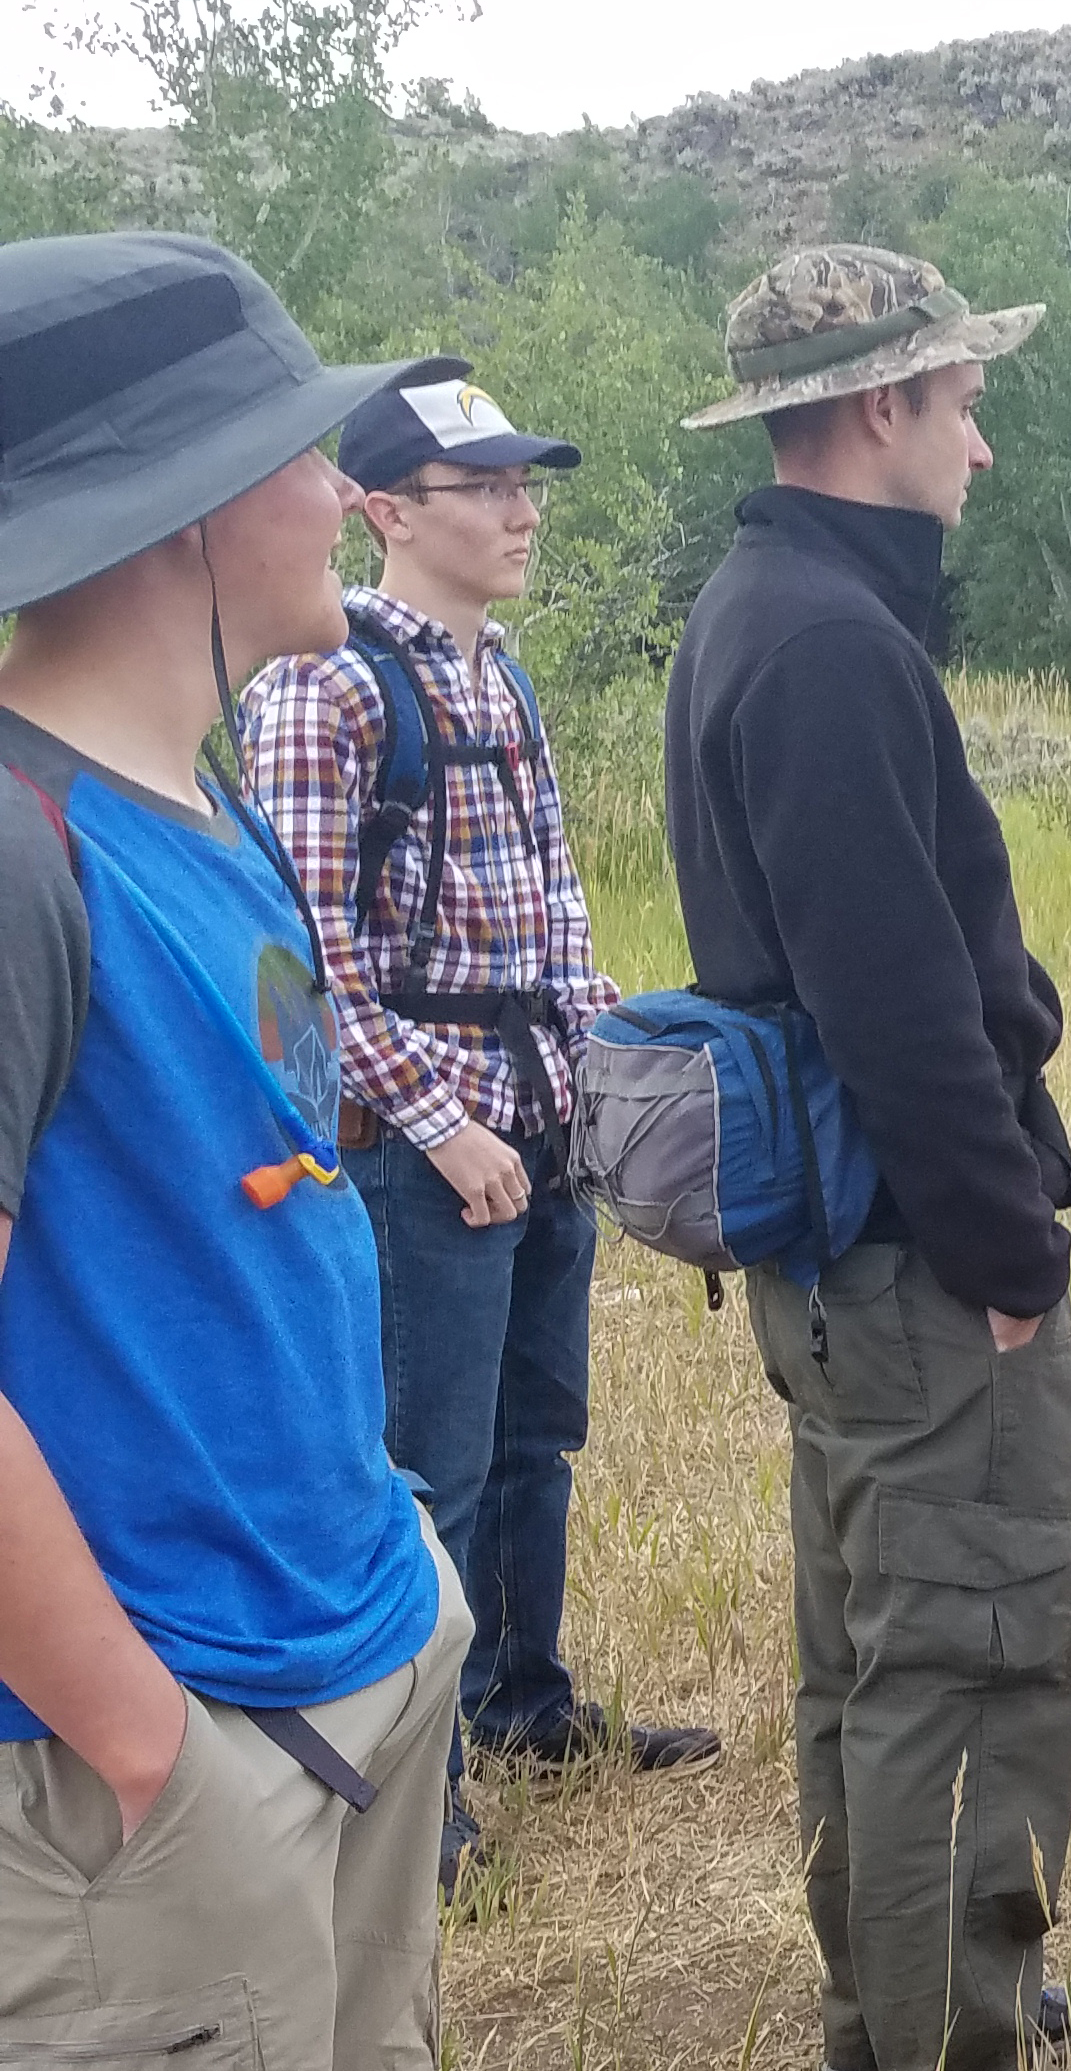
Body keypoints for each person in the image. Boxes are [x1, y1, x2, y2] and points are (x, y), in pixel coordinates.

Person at [0, 231, 619, 2071]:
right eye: (305, 450)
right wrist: (142, 1744)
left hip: (350, 1675)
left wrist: (399, 1562)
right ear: (175, 511)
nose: (340, 488)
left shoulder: (205, 782)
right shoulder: (16, 843)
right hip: (164, 1772)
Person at [664, 244, 1071, 2071]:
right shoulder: (820, 641)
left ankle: (890, 2032)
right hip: (914, 1252)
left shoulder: (771, 608)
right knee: (969, 1663)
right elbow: (895, 1000)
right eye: (961, 397)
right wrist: (1004, 1250)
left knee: (875, 1666)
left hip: (851, 1250)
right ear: (877, 405)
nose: (981, 437)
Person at [240, 367, 715, 1893]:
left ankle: (523, 1705)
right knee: (420, 1471)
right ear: (383, 512)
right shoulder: (323, 694)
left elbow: (550, 915)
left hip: (538, 1131)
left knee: (533, 1442)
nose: (522, 512)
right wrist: (444, 1131)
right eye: (484, 488)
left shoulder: (499, 675)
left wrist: (606, 1058)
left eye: (529, 484)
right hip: (413, 1153)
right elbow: (307, 973)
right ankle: (415, 1794)